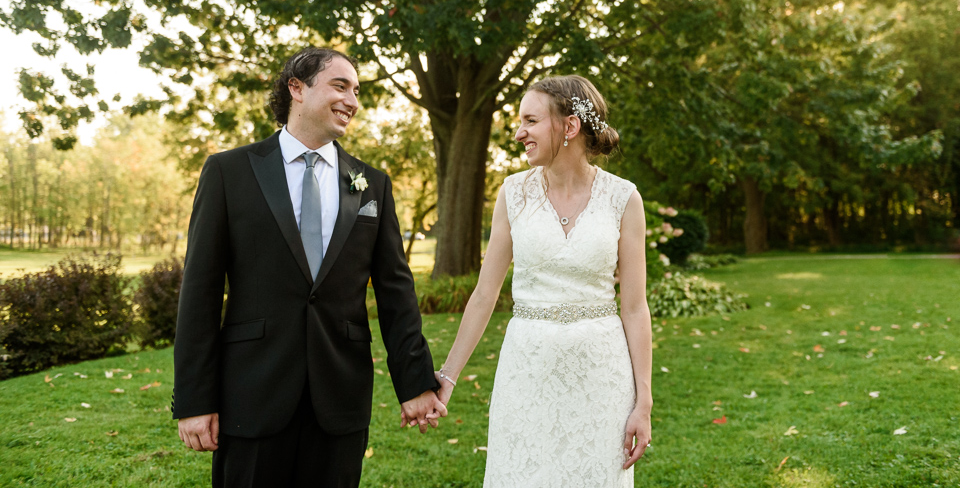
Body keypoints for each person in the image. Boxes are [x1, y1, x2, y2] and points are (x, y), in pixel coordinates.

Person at [172, 47, 447, 488]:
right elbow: (200, 293)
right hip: (252, 395)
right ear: (295, 88)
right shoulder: (229, 172)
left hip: (340, 399)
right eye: (340, 86)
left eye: (356, 91)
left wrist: (415, 384)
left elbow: (396, 293)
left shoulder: (372, 184)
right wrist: (193, 399)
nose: (352, 101)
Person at [435, 75, 653, 487]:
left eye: (530, 120)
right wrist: (448, 376)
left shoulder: (624, 198)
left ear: (568, 127)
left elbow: (635, 307)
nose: (519, 133)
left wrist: (643, 401)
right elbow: (485, 294)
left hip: (601, 377)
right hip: (527, 371)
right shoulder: (512, 193)